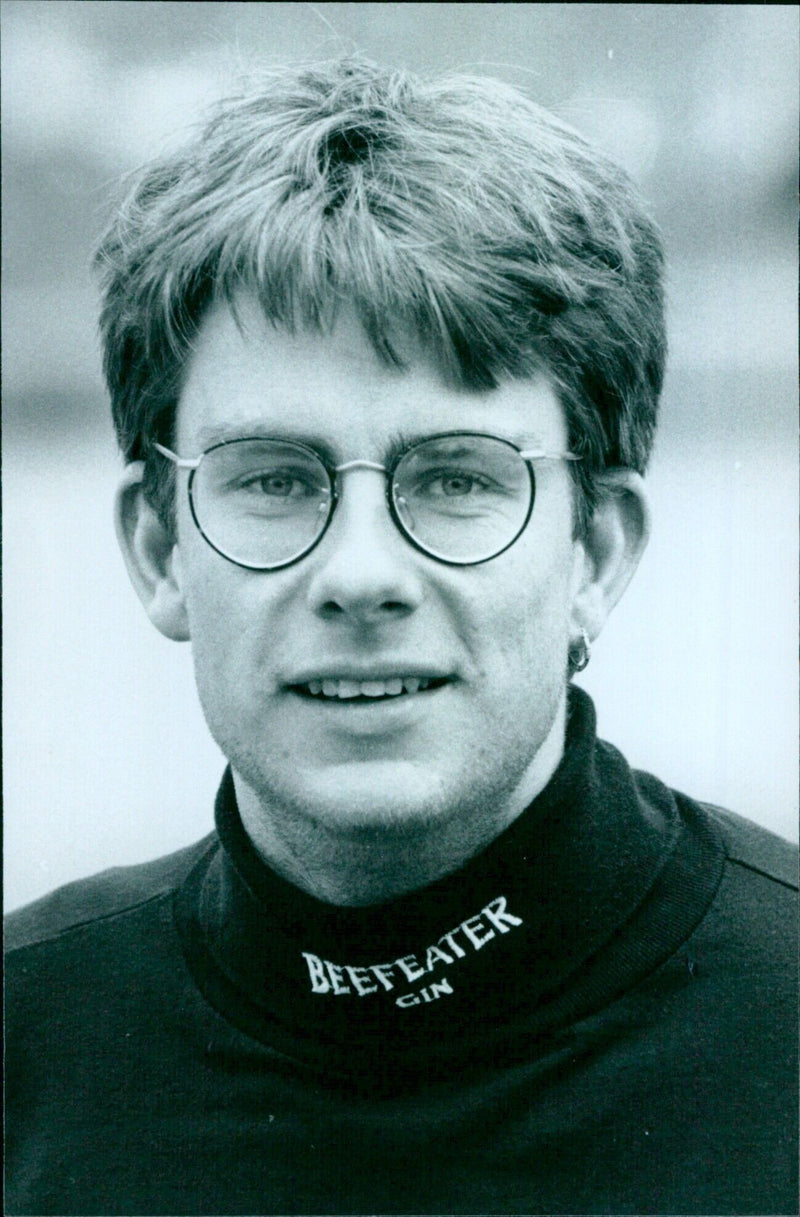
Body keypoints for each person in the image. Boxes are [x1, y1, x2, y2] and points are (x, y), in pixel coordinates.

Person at [5, 58, 797, 1217]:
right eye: (272, 478)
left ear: (598, 548)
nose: (362, 575)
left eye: (456, 479)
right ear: (158, 546)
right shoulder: (29, 1046)